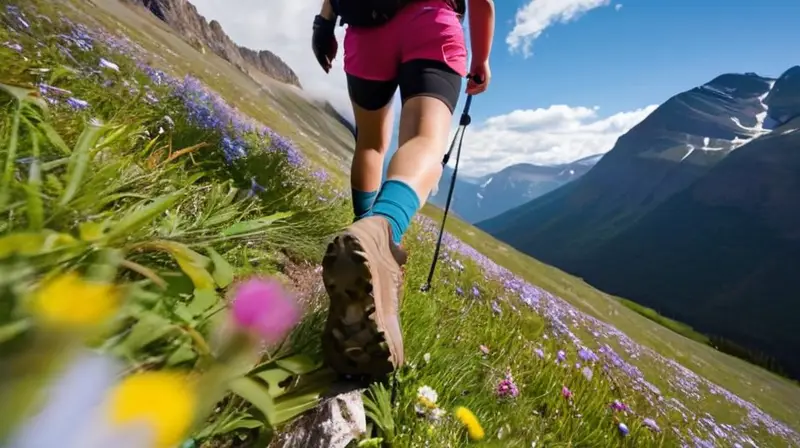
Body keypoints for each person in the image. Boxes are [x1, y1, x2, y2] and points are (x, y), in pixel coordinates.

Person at [311, 0, 495, 379]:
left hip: (365, 31)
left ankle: (366, 243)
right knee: (426, 139)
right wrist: (482, 59)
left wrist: (323, 25)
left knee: (370, 145)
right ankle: (381, 236)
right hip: (430, 24)